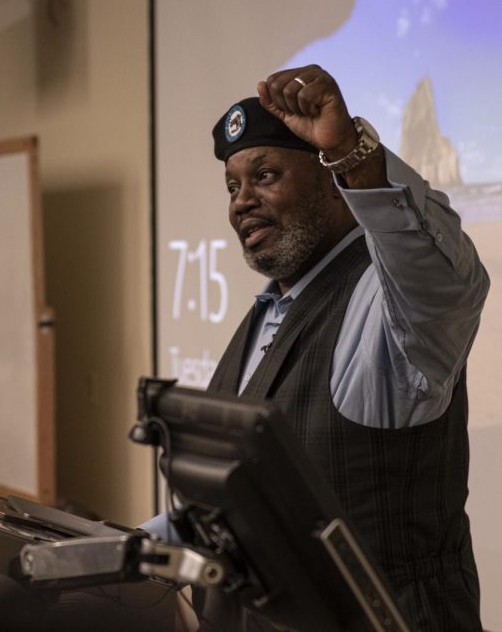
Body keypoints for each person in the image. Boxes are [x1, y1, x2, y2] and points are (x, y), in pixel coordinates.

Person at [194, 64, 487, 631]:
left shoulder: (387, 303)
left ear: (330, 179)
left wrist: (353, 154)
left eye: (266, 175)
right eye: (233, 186)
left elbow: (444, 279)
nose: (241, 202)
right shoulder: (269, 312)